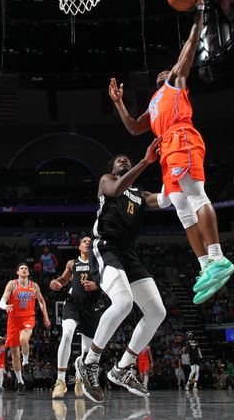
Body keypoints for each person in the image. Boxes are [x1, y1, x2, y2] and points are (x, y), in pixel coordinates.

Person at [108, 0, 234, 305]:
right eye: (165, 69)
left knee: (195, 195)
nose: (168, 69)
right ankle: (206, 265)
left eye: (172, 68)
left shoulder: (176, 83)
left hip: (183, 139)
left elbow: (191, 45)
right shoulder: (154, 102)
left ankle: (218, 256)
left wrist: (200, 12)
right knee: (181, 209)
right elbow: (136, 128)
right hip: (166, 149)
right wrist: (120, 103)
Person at [76, 145, 167, 403]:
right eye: (118, 161)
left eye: (126, 159)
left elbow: (163, 200)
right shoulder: (108, 182)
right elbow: (116, 190)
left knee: (157, 312)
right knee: (124, 302)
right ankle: (90, 362)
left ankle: (123, 368)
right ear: (113, 169)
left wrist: (180, 180)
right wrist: (145, 161)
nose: (123, 160)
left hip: (129, 254)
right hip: (106, 246)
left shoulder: (141, 194)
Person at [49, 236, 104, 399]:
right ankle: (60, 381)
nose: (87, 243)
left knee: (86, 350)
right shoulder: (72, 263)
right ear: (79, 247)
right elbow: (64, 279)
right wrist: (57, 282)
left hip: (91, 307)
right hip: (73, 304)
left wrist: (97, 285)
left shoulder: (99, 263)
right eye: (84, 242)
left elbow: (108, 283)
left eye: (89, 242)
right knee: (66, 335)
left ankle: (80, 379)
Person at [0, 263, 51, 392]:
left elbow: (42, 301)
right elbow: (2, 300)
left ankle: (26, 361)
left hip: (28, 318)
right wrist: (5, 306)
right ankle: (20, 381)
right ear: (18, 272)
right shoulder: (12, 284)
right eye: (21, 268)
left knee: (24, 340)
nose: (24, 270)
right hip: (13, 321)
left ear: (28, 272)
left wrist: (45, 316)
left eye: (26, 268)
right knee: (15, 356)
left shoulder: (34, 286)